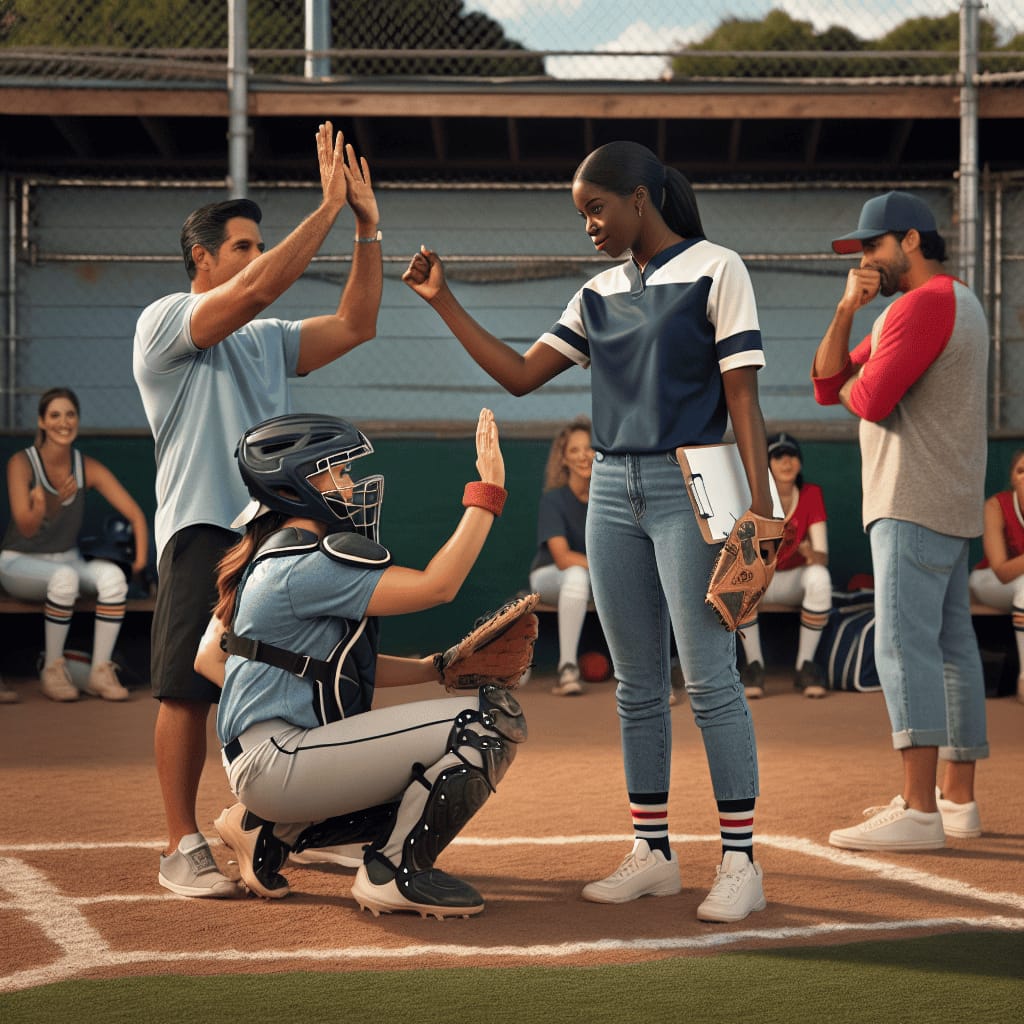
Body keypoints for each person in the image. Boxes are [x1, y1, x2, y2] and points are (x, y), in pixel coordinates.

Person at [402, 140, 776, 923]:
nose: (589, 227)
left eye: (596, 210)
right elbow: (520, 374)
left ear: (641, 199)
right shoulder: (596, 291)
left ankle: (741, 861)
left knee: (708, 679)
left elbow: (743, 400)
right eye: (582, 216)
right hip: (611, 488)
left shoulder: (719, 268)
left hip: (692, 488)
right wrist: (442, 299)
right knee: (637, 685)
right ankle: (654, 853)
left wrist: (762, 512)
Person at [133, 121, 383, 899]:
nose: (254, 255)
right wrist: (329, 208)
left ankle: (298, 825)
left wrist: (367, 230)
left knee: (306, 676)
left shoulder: (267, 339)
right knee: (187, 686)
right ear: (202, 258)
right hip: (202, 527)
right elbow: (261, 288)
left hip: (272, 537)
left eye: (255, 243)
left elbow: (356, 326)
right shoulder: (166, 322)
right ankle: (181, 843)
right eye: (241, 244)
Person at [191, 409, 525, 919]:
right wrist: (488, 491)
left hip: (269, 759)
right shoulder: (306, 564)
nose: (350, 484)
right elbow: (440, 585)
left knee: (418, 760)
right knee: (487, 723)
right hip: (281, 761)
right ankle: (392, 872)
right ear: (299, 481)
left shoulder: (273, 550)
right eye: (338, 472)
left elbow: (230, 661)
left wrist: (436, 668)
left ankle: (269, 830)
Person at [812, 190, 989, 851]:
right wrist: (844, 310)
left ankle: (918, 810)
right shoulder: (949, 302)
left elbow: (871, 401)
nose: (864, 259)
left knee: (902, 648)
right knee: (951, 650)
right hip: (946, 501)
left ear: (911, 240)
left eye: (872, 246)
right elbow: (827, 384)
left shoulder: (924, 304)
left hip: (910, 500)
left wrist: (865, 377)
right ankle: (956, 799)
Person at [0, 387, 149, 703]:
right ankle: (52, 671)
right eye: (55, 415)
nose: (63, 422)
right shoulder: (22, 463)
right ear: (41, 421)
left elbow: (135, 513)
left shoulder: (86, 467)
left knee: (112, 579)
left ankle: (99, 672)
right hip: (17, 562)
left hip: (67, 560)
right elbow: (26, 528)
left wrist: (138, 562)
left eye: (70, 415)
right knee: (64, 579)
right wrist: (48, 508)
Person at [739, 432, 832, 700]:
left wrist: (807, 551)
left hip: (793, 581)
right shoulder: (755, 498)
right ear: (767, 464)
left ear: (800, 463)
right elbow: (747, 556)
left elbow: (822, 557)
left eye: (791, 456)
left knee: (820, 577)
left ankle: (805, 666)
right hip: (764, 581)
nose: (786, 462)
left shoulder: (811, 494)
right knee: (743, 578)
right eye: (778, 457)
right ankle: (754, 666)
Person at [529, 415, 595, 696]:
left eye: (589, 448)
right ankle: (567, 667)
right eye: (574, 450)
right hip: (549, 578)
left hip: (596, 579)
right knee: (576, 574)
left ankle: (651, 675)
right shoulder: (554, 499)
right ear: (564, 459)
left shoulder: (609, 499)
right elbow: (563, 557)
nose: (584, 456)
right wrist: (608, 568)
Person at [969, 448, 1024, 704]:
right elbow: (1002, 571)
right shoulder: (997, 505)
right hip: (988, 581)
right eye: (1021, 471)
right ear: (1013, 478)